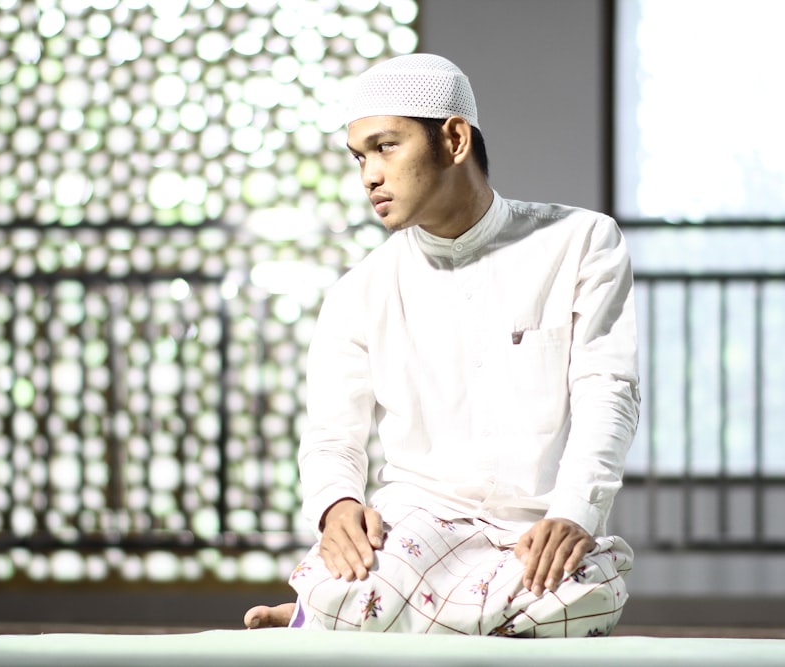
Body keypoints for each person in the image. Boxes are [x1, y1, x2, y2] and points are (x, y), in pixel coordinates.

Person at [244, 53, 639, 637]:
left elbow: (609, 391)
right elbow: (331, 437)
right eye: (359, 157)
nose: (368, 176)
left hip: (535, 529)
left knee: (595, 592)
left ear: (454, 139)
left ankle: (338, 618)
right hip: (419, 525)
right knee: (346, 579)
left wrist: (574, 512)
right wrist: (337, 508)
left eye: (385, 147)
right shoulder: (359, 292)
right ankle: (348, 609)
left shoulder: (580, 242)